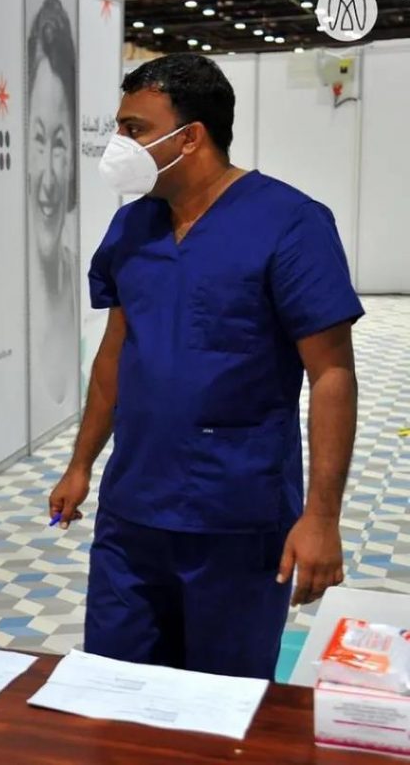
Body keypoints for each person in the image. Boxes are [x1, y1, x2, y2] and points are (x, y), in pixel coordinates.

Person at [49, 54, 362, 678]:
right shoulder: (133, 226)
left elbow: (332, 374)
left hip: (236, 517)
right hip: (132, 514)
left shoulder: (290, 224)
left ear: (190, 137)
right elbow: (115, 354)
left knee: (222, 703)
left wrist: (322, 517)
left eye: (135, 129)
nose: (118, 144)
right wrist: (81, 464)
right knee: (112, 689)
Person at [27, 0, 79, 409]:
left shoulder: (78, 275)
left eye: (59, 144)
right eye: (38, 139)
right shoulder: (6, 296)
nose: (47, 177)